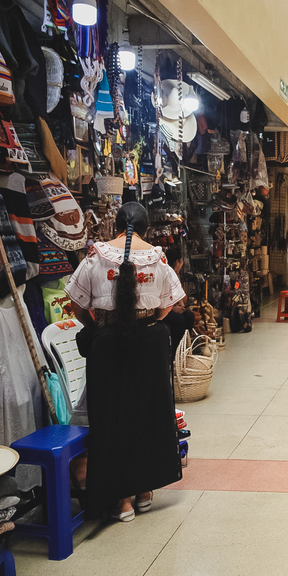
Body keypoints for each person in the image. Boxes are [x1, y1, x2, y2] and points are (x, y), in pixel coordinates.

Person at [65, 202, 184, 520]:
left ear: (116, 225)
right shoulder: (157, 258)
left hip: (107, 346)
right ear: (146, 228)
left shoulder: (96, 255)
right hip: (149, 344)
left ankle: (123, 502)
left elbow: (75, 302)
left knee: (112, 421)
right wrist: (148, 322)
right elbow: (168, 304)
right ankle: (145, 493)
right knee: (148, 417)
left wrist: (97, 329)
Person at [162, 246, 195, 353]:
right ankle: (176, 352)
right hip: (162, 310)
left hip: (171, 307)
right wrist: (174, 308)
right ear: (177, 262)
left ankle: (185, 348)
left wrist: (180, 306)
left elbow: (180, 296)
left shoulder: (175, 274)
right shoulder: (166, 272)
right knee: (179, 320)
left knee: (189, 315)